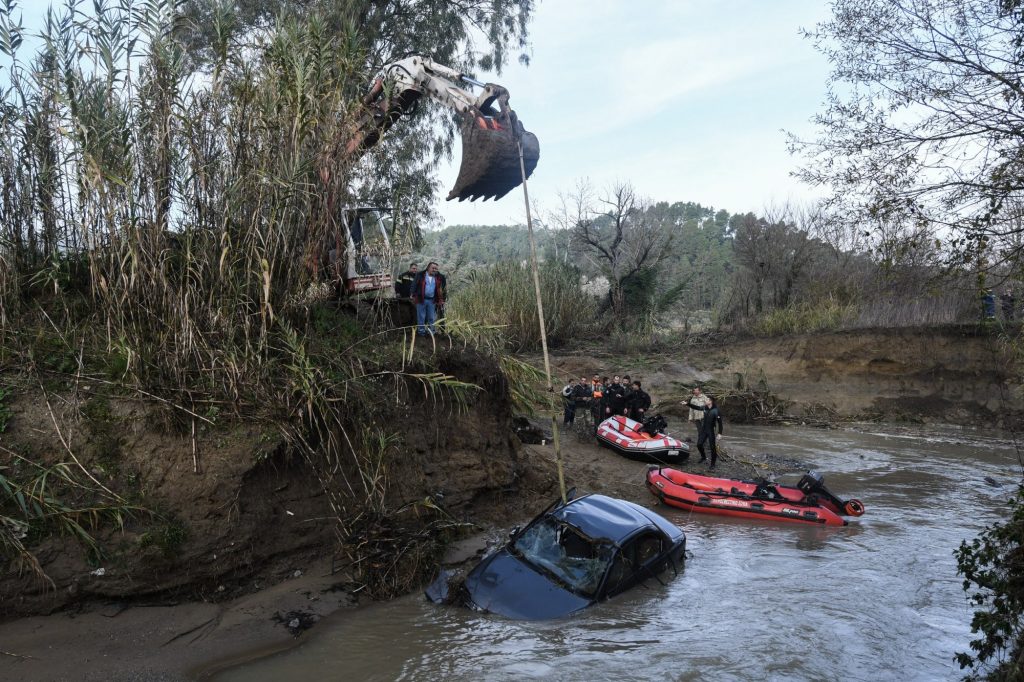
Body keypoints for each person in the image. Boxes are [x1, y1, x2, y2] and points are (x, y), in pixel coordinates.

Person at [411, 261, 447, 336]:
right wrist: (413, 294)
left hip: (432, 300)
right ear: (428, 268)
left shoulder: (439, 277)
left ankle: (432, 332)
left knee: (431, 317)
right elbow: (414, 285)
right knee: (421, 316)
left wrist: (442, 299)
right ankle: (421, 332)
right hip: (421, 299)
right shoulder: (420, 275)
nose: (434, 270)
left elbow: (443, 289)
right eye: (433, 268)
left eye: (436, 269)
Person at [697, 396, 723, 469]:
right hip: (704, 430)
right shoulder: (704, 408)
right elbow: (696, 407)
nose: (705, 400)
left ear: (711, 401)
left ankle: (713, 464)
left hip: (711, 430)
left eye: (707, 399)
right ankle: (703, 457)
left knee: (712, 447)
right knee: (699, 444)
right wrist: (687, 404)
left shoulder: (716, 410)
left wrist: (720, 433)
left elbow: (720, 423)